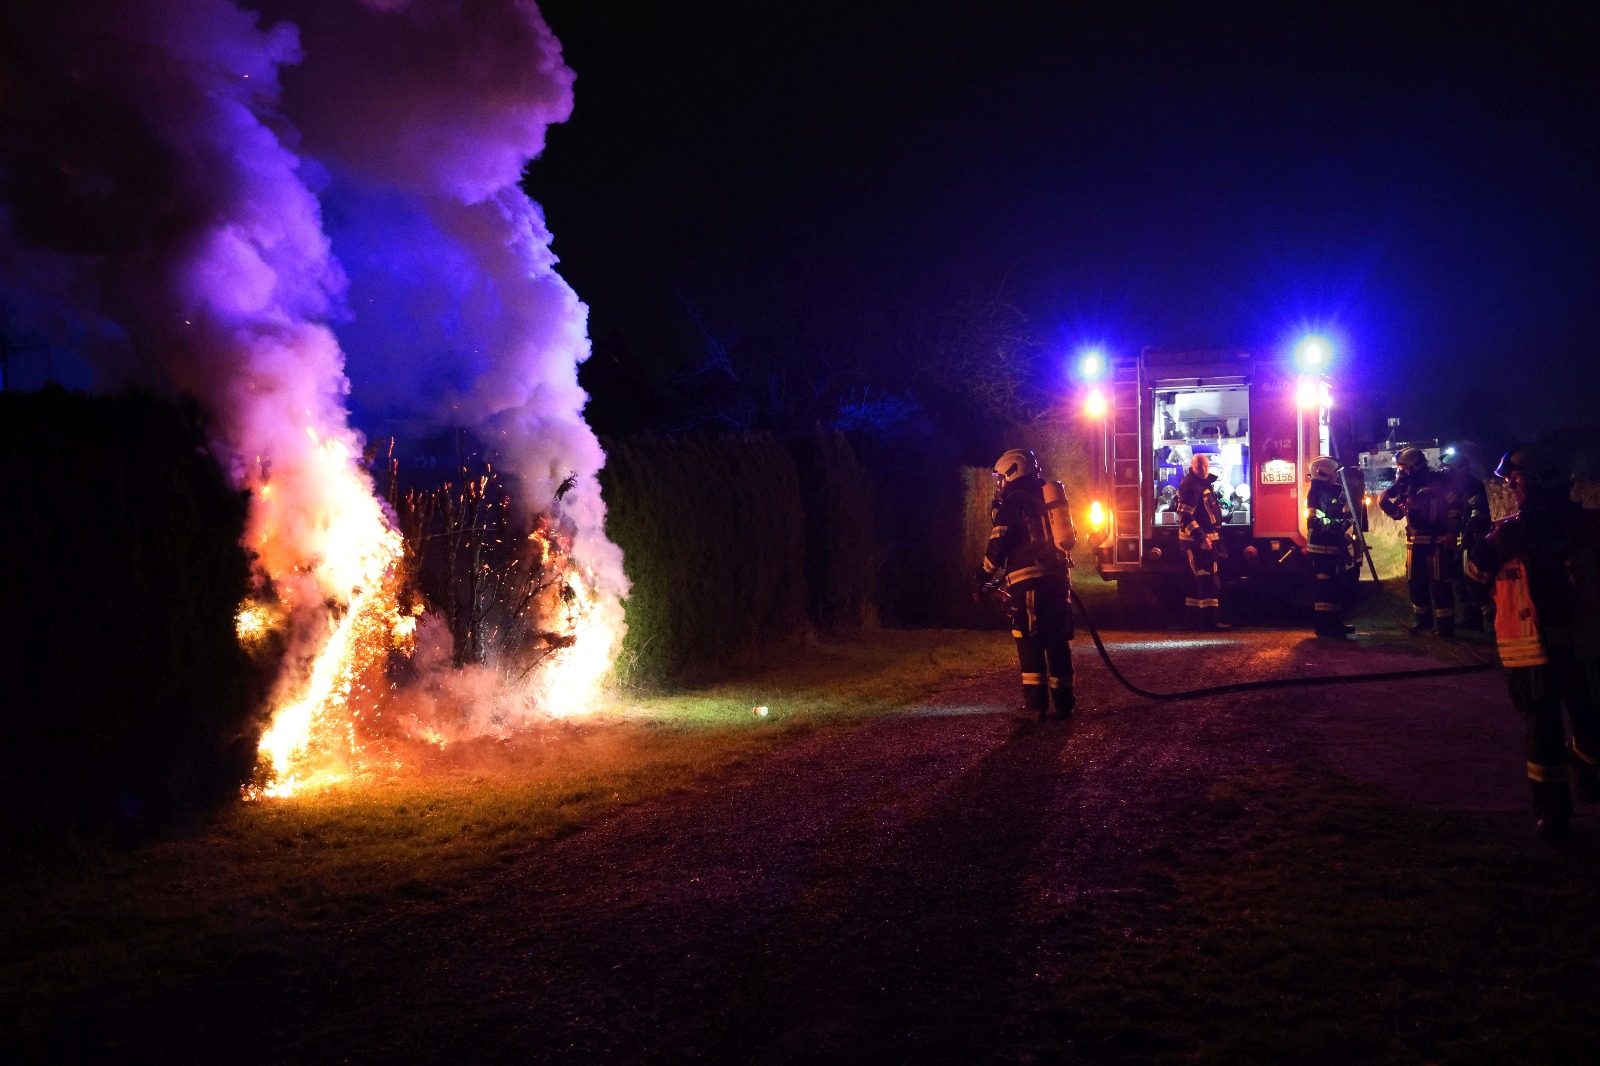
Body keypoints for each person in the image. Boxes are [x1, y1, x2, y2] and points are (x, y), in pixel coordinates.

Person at [1465, 445, 1600, 838]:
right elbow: (1474, 582)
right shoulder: (1511, 536)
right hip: (1548, 652)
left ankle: (1570, 789)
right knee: (1553, 733)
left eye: (1515, 480)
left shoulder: (1510, 537)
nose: (1511, 487)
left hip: (1571, 650)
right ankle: (1554, 813)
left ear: (1534, 482)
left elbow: (1474, 584)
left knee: (1567, 732)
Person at [977, 449, 1077, 722]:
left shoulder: (1014, 501)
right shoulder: (1047, 495)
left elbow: (997, 548)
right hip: (1058, 580)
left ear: (1013, 471)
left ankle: (1036, 706)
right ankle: (1065, 702)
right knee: (1056, 638)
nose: (1000, 484)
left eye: (1001, 477)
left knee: (1029, 639)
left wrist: (980, 578)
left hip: (1029, 583)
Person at [1379, 447, 1464, 635]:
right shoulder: (1408, 488)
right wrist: (1383, 501)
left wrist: (1452, 532)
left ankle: (1445, 628)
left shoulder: (1438, 481)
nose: (1401, 472)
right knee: (1416, 583)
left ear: (1414, 466)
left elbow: (1456, 506)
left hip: (1438, 542)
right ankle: (1423, 622)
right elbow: (1397, 513)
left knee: (1440, 584)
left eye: (1403, 468)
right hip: (1415, 544)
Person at [1177, 453, 1230, 630]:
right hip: (1197, 543)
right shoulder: (1191, 486)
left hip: (1206, 540)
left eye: (1206, 465)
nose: (1204, 469)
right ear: (1192, 467)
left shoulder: (1202, 483)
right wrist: (1201, 538)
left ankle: (1192, 620)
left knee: (1195, 581)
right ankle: (1211, 622)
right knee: (1208, 581)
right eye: (1199, 466)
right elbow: (1185, 516)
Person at [1305, 456, 1356, 637]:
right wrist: (1341, 523)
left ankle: (1334, 624)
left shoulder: (1328, 492)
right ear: (1324, 473)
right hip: (1322, 549)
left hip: (1331, 547)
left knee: (1334, 586)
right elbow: (1316, 522)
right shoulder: (1318, 494)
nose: (1337, 476)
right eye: (1335, 473)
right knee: (1325, 587)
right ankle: (1325, 627)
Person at [1444, 447, 1493, 630]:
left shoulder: (1472, 485)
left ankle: (1489, 620)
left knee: (1470, 580)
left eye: (1449, 469)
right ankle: (1471, 619)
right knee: (1459, 579)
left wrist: (1466, 534)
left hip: (1472, 539)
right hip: (1463, 539)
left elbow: (1478, 512)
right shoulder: (1458, 486)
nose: (1446, 473)